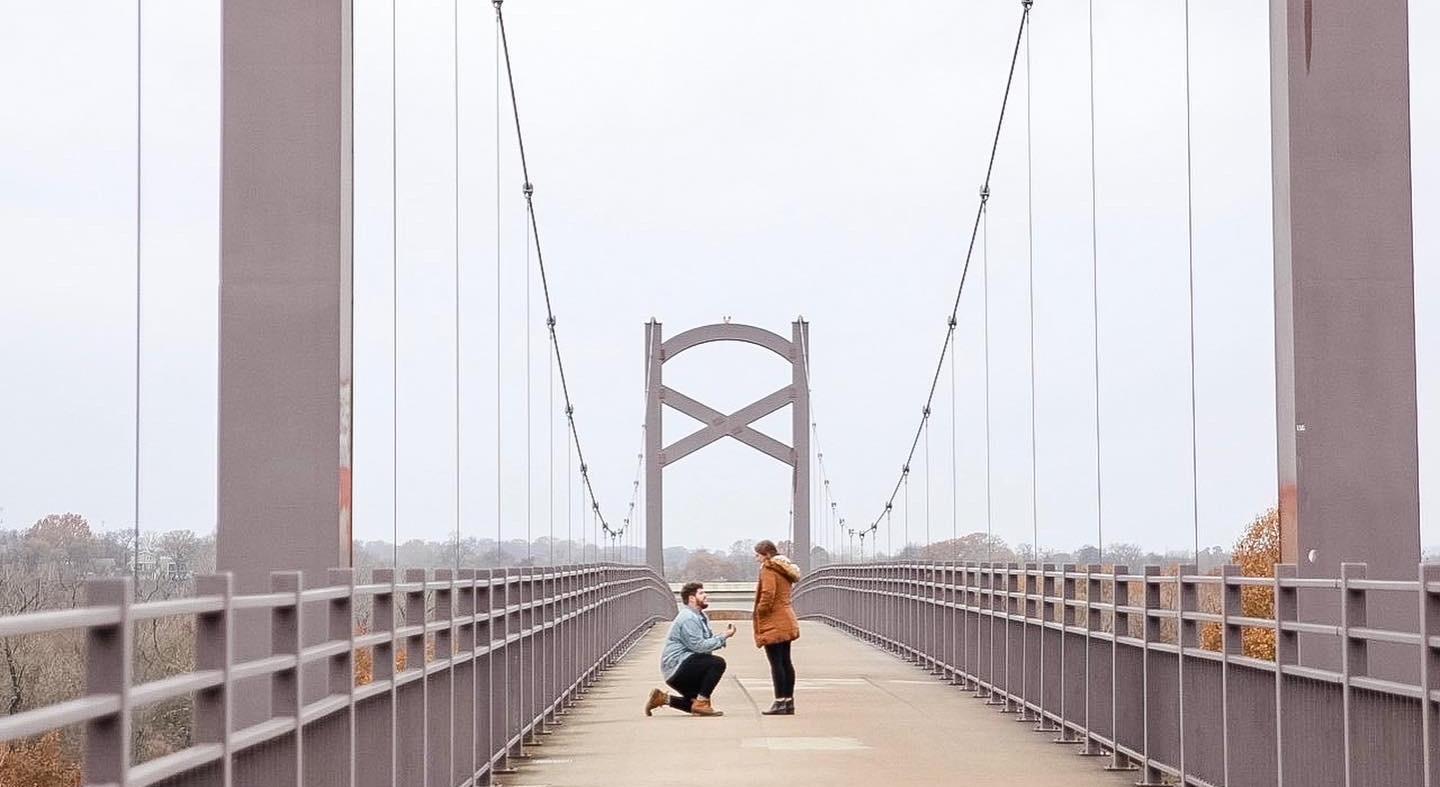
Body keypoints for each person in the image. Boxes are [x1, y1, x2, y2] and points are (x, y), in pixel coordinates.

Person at [645, 581, 735, 717]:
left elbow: (704, 645)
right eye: (701, 593)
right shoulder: (688, 618)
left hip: (682, 667)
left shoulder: (701, 616)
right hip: (677, 667)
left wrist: (721, 637)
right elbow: (699, 646)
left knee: (694, 704)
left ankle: (662, 698)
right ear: (692, 598)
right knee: (718, 663)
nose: (706, 595)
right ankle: (701, 703)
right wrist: (724, 636)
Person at [752, 539, 801, 715]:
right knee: (786, 661)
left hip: (773, 620)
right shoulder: (785, 568)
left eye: (758, 555)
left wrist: (760, 612)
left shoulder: (768, 568)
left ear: (766, 555)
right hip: (787, 618)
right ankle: (789, 702)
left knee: (776, 663)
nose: (756, 558)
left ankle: (779, 702)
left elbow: (768, 593)